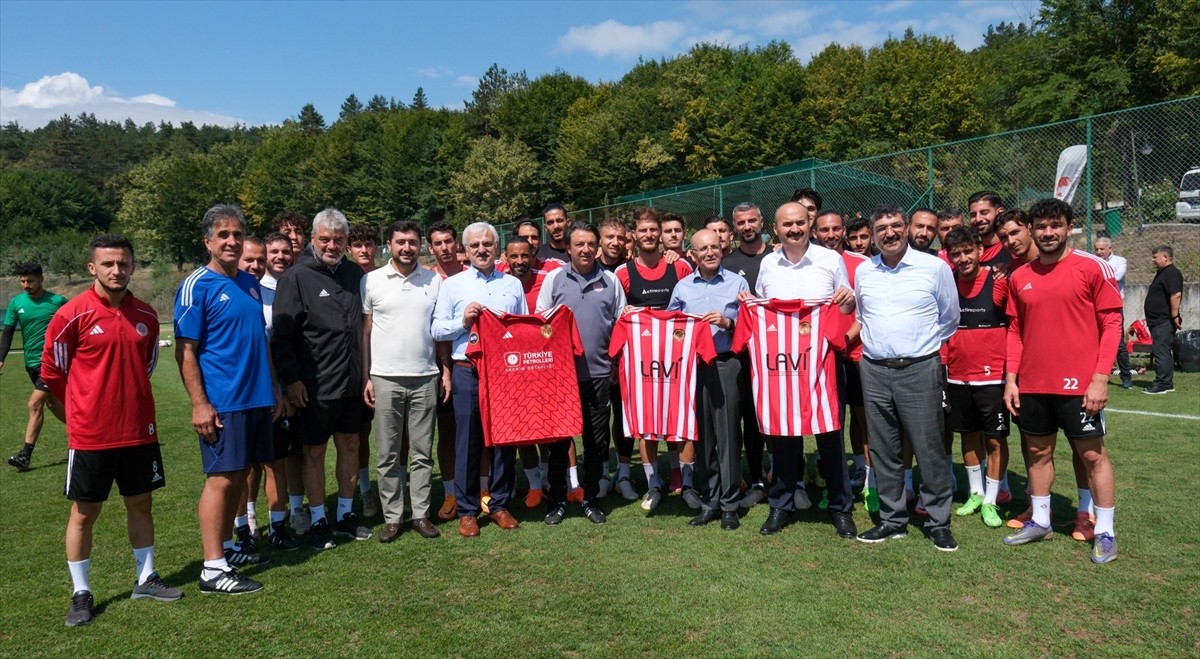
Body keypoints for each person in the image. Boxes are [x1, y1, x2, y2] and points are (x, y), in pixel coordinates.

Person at [43, 234, 182, 626]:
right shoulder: (71, 314)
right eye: (108, 264)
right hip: (91, 436)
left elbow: (147, 366)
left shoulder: (147, 317)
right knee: (85, 513)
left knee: (141, 505)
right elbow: (54, 373)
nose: (116, 270)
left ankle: (145, 577)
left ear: (132, 266)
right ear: (92, 268)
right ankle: (81, 592)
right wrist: (81, 410)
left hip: (139, 431)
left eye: (123, 263)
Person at [1002, 198, 1121, 564]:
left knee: (1091, 455)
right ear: (1033, 230)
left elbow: (1113, 324)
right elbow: (1016, 330)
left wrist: (1100, 378)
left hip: (1081, 385)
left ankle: (1105, 531)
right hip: (1033, 385)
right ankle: (1040, 520)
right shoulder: (1019, 276)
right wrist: (1011, 379)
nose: (1048, 232)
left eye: (1055, 225)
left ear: (1069, 227)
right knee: (1038, 453)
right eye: (1041, 226)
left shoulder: (1092, 267)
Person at [175, 204, 280, 593]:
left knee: (239, 475)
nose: (232, 241)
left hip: (255, 398)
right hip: (223, 402)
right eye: (223, 235)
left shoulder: (250, 283)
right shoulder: (196, 286)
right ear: (208, 242)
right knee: (220, 479)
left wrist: (272, 389)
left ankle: (230, 548)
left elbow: (260, 343)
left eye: (237, 234)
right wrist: (200, 403)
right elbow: (185, 351)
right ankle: (212, 568)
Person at [743, 201, 856, 538]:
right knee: (782, 439)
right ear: (775, 229)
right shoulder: (768, 264)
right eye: (786, 224)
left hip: (821, 363)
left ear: (809, 223)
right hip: (780, 367)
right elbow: (762, 308)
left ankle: (841, 509)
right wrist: (748, 304)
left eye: (799, 223)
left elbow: (848, 304)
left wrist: (846, 299)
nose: (794, 229)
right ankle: (781, 505)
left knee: (830, 437)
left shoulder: (830, 260)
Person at [854, 203, 960, 552]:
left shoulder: (934, 268)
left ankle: (938, 522)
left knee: (928, 447)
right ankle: (892, 520)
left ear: (907, 228)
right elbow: (864, 316)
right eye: (881, 228)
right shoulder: (864, 271)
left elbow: (950, 318)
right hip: (874, 369)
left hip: (919, 368)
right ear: (872, 234)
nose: (890, 233)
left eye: (896, 225)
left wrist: (919, 346)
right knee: (884, 450)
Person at [272, 208, 372, 550]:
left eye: (338, 240)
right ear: (312, 239)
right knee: (313, 452)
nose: (332, 245)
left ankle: (345, 514)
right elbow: (282, 337)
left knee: (351, 445)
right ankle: (318, 519)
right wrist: (293, 380)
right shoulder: (296, 277)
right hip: (314, 386)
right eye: (325, 239)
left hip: (351, 382)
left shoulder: (354, 274)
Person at [432, 222, 527, 537]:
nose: (482, 250)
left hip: (506, 372)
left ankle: (499, 504)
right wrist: (463, 321)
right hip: (467, 370)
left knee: (504, 440)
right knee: (468, 441)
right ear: (466, 250)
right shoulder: (452, 285)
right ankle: (468, 510)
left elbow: (523, 329)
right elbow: (436, 330)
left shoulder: (512, 284)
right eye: (475, 246)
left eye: (487, 244)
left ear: (496, 247)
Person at [536, 221, 626, 525]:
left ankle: (590, 499)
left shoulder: (612, 281)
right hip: (561, 378)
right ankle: (558, 500)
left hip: (599, 375)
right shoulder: (553, 279)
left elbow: (622, 327)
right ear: (569, 248)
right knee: (560, 442)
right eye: (579, 244)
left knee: (595, 442)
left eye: (590, 244)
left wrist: (614, 364)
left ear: (597, 246)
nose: (585, 249)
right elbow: (540, 326)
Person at [362, 220, 445, 542]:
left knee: (422, 453)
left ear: (420, 245)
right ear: (389, 245)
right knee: (387, 454)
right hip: (384, 378)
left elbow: (438, 332)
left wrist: (443, 369)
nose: (407, 248)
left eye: (412, 242)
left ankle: (421, 514)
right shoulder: (371, 281)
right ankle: (393, 517)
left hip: (425, 376)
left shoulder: (433, 280)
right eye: (400, 242)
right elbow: (366, 332)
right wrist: (366, 376)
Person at [614, 207, 695, 509]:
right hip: (641, 363)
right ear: (634, 235)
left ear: (660, 233)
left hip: (677, 359)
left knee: (682, 420)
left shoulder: (681, 267)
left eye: (653, 229)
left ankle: (686, 482)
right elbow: (617, 317)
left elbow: (692, 308)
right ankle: (653, 483)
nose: (649, 235)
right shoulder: (623, 273)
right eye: (643, 230)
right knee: (645, 423)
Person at [667, 229, 748, 530]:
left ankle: (729, 505)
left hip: (726, 364)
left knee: (727, 435)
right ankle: (710, 501)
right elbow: (670, 325)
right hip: (694, 368)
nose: (710, 252)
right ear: (693, 254)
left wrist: (728, 322)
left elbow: (750, 325)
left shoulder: (737, 283)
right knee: (702, 438)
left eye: (715, 247)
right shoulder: (682, 287)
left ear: (723, 249)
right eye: (704, 249)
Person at [941, 227, 1010, 528]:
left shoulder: (997, 282)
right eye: (956, 253)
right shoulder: (948, 284)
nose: (964, 258)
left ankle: (992, 500)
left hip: (992, 376)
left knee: (995, 439)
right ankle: (975, 493)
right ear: (950, 257)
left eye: (968, 251)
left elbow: (1014, 323)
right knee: (967, 435)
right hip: (957, 376)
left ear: (980, 251)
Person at [812, 211, 874, 504]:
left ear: (844, 232)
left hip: (857, 355)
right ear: (816, 232)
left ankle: (870, 480)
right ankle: (843, 477)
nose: (831, 234)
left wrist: (844, 339)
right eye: (824, 229)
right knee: (833, 419)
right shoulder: (809, 262)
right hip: (822, 358)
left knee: (865, 419)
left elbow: (866, 312)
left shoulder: (861, 264)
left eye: (836, 228)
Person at [253, 232, 303, 547]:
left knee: (281, 459)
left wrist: (283, 388)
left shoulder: (295, 286)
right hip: (253, 389)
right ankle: (246, 525)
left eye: (286, 251)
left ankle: (281, 522)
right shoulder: (253, 290)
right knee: (247, 465)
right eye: (273, 252)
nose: (280, 257)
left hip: (284, 386)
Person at [722, 201, 770, 507]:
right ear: (734, 227)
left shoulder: (778, 258)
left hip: (772, 353)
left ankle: (772, 478)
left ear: (762, 222)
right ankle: (742, 478)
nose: (747, 226)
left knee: (765, 420)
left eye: (752, 220)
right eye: (741, 222)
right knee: (738, 419)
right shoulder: (726, 263)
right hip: (737, 353)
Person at [502, 235, 553, 508]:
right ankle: (533, 485)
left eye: (525, 256)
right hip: (510, 366)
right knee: (521, 428)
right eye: (514, 256)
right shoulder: (500, 282)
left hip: (544, 363)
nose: (520, 261)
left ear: (533, 255)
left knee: (546, 427)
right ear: (505, 258)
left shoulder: (548, 279)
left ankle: (547, 477)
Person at [2, 262, 67, 471]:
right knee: (53, 404)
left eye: (30, 280)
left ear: (41, 279)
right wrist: (1, 357)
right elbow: (8, 332)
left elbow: (75, 328)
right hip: (31, 363)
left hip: (53, 362)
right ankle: (89, 433)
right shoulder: (16, 303)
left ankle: (25, 455)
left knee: (34, 404)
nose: (26, 285)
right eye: (22, 281)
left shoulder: (58, 302)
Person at [426, 221, 463, 520]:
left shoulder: (471, 276)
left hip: (472, 366)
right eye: (438, 243)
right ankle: (451, 492)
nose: (445, 248)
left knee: (478, 430)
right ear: (431, 248)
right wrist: (443, 369)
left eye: (449, 241)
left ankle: (482, 488)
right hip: (438, 369)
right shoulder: (426, 281)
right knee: (447, 432)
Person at [348, 223, 381, 519]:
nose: (363, 249)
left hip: (386, 367)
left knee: (395, 435)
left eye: (368, 243)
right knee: (358, 435)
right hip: (355, 368)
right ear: (349, 248)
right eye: (357, 244)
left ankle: (400, 487)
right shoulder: (345, 278)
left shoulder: (384, 277)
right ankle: (365, 491)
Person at [1143, 245, 1184, 395]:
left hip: (1163, 320)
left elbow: (1175, 295)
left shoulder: (1171, 273)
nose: (1153, 260)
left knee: (1162, 352)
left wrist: (1174, 315)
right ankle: (1165, 382)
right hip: (1157, 321)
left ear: (1166, 258)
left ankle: (1163, 383)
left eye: (1155, 257)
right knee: (1161, 350)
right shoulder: (1162, 273)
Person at [1094, 237, 1133, 389]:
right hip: (1094, 305)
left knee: (1118, 344)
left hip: (1113, 306)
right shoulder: (1092, 261)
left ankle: (1126, 376)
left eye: (1102, 249)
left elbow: (1116, 277)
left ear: (1110, 248)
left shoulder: (1120, 261)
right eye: (1096, 249)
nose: (1098, 252)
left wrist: (1096, 277)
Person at [967, 191, 1012, 269]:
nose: (978, 219)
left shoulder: (1012, 248)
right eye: (973, 215)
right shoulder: (968, 253)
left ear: (999, 212)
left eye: (984, 212)